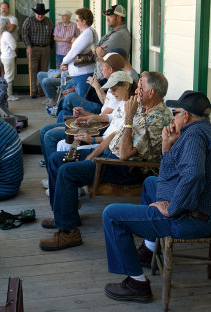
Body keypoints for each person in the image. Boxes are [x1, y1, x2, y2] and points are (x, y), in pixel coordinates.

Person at [102, 90, 211, 303]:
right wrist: (166, 147)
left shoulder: (193, 137)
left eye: (175, 113)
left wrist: (172, 209)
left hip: (191, 220)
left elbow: (193, 175)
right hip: (207, 212)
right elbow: (173, 175)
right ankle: (149, 248)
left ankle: (137, 284)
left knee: (112, 215)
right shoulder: (208, 131)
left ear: (186, 116)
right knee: (151, 183)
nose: (173, 117)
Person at [39, 71, 172, 251]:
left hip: (124, 168)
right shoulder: (141, 106)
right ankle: (64, 214)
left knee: (67, 171)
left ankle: (68, 232)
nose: (136, 91)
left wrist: (129, 119)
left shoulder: (159, 118)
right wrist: (91, 156)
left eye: (140, 87)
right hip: (107, 156)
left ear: (152, 93)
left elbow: (125, 154)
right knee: (56, 159)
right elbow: (113, 137)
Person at [39, 53, 126, 173]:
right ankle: (52, 167)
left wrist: (96, 87)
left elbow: (105, 115)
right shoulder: (112, 84)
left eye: (103, 66)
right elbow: (108, 111)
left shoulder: (120, 88)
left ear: (110, 69)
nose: (100, 68)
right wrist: (84, 114)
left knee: (50, 132)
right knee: (62, 112)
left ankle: (53, 167)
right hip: (97, 122)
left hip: (100, 129)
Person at [60, 8, 98, 97]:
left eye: (77, 20)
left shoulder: (88, 33)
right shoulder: (87, 32)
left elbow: (74, 52)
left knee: (81, 102)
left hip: (83, 74)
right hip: (81, 74)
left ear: (84, 21)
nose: (76, 22)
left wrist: (64, 62)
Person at [22, 3, 54, 98]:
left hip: (46, 48)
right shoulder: (29, 20)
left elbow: (52, 35)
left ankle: (42, 90)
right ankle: (33, 91)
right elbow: (24, 34)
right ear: (35, 13)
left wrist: (50, 48)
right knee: (33, 69)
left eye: (42, 14)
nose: (40, 16)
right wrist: (28, 46)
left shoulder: (48, 21)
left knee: (43, 70)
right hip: (33, 48)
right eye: (38, 14)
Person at [0, 18, 18, 101]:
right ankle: (8, 95)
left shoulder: (2, 34)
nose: (11, 24)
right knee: (9, 76)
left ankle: (7, 94)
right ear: (6, 24)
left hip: (5, 56)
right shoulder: (7, 34)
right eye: (9, 23)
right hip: (8, 57)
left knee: (7, 75)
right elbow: (13, 46)